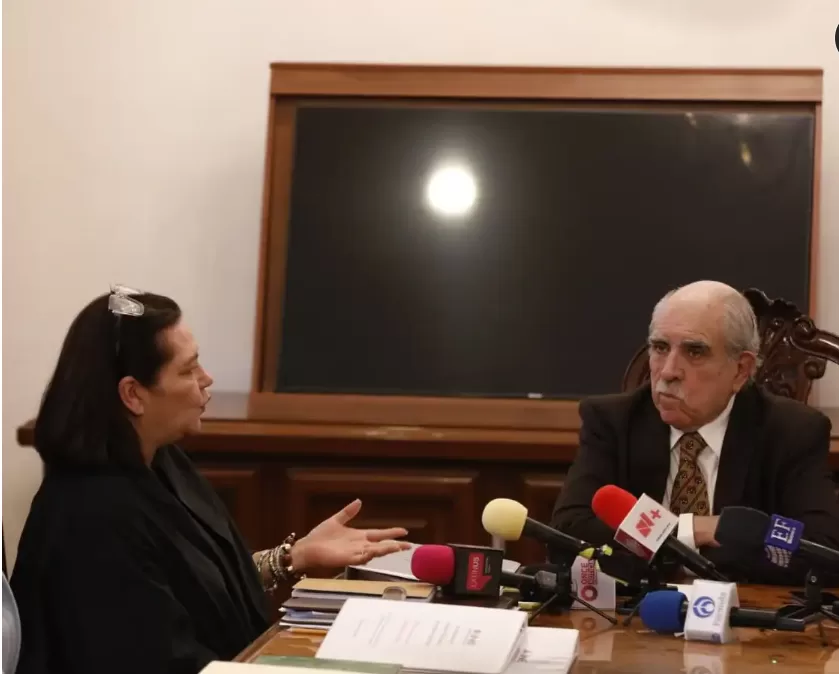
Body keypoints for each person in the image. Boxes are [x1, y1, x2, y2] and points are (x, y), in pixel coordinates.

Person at [10, 286, 412, 674]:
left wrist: (293, 557)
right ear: (133, 394)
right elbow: (161, 658)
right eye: (188, 369)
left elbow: (195, 592)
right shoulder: (91, 516)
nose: (206, 378)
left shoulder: (162, 460)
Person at [551, 280, 839, 585]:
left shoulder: (791, 431)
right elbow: (567, 535)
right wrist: (691, 531)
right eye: (660, 347)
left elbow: (825, 551)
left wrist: (650, 547)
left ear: (740, 370)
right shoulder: (614, 421)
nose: (668, 371)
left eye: (695, 351)